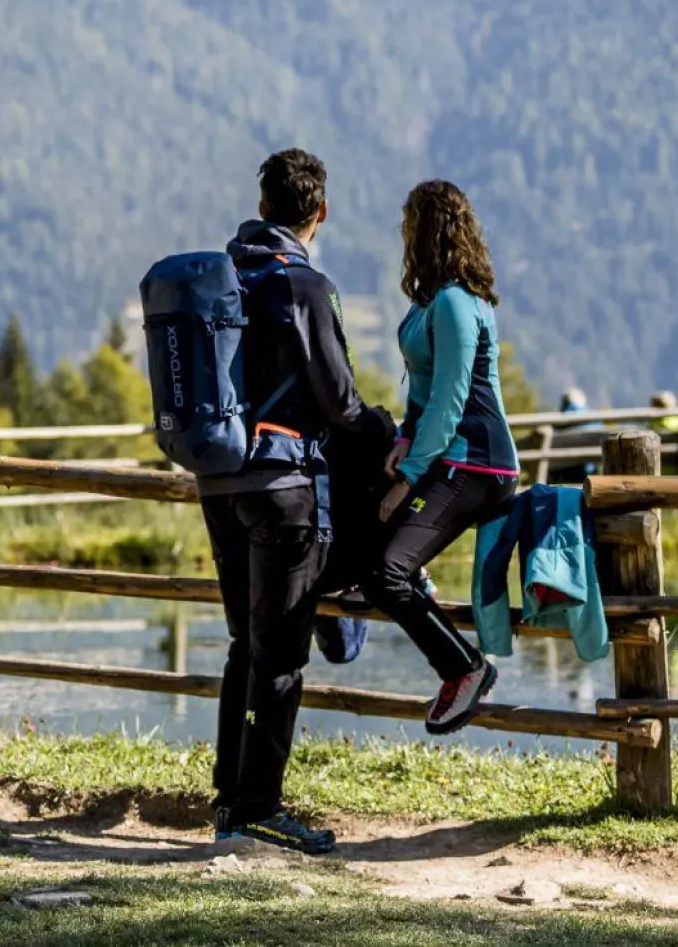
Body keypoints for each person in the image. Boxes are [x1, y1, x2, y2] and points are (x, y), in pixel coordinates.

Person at [198, 147, 392, 857]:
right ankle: (261, 809)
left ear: (263, 203)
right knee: (280, 657)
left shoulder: (225, 278)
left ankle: (229, 803)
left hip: (219, 484)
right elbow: (340, 405)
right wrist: (389, 433)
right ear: (320, 211)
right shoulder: (305, 287)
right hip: (284, 490)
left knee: (245, 647)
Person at [352, 177, 520, 733]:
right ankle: (416, 575)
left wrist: (409, 480)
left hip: (477, 463)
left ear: (425, 230)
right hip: (451, 456)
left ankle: (465, 668)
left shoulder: (453, 304)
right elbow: (422, 397)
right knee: (371, 547)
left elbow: (450, 404)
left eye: (408, 224)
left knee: (385, 572)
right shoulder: (431, 302)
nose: (402, 234)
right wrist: (402, 439)